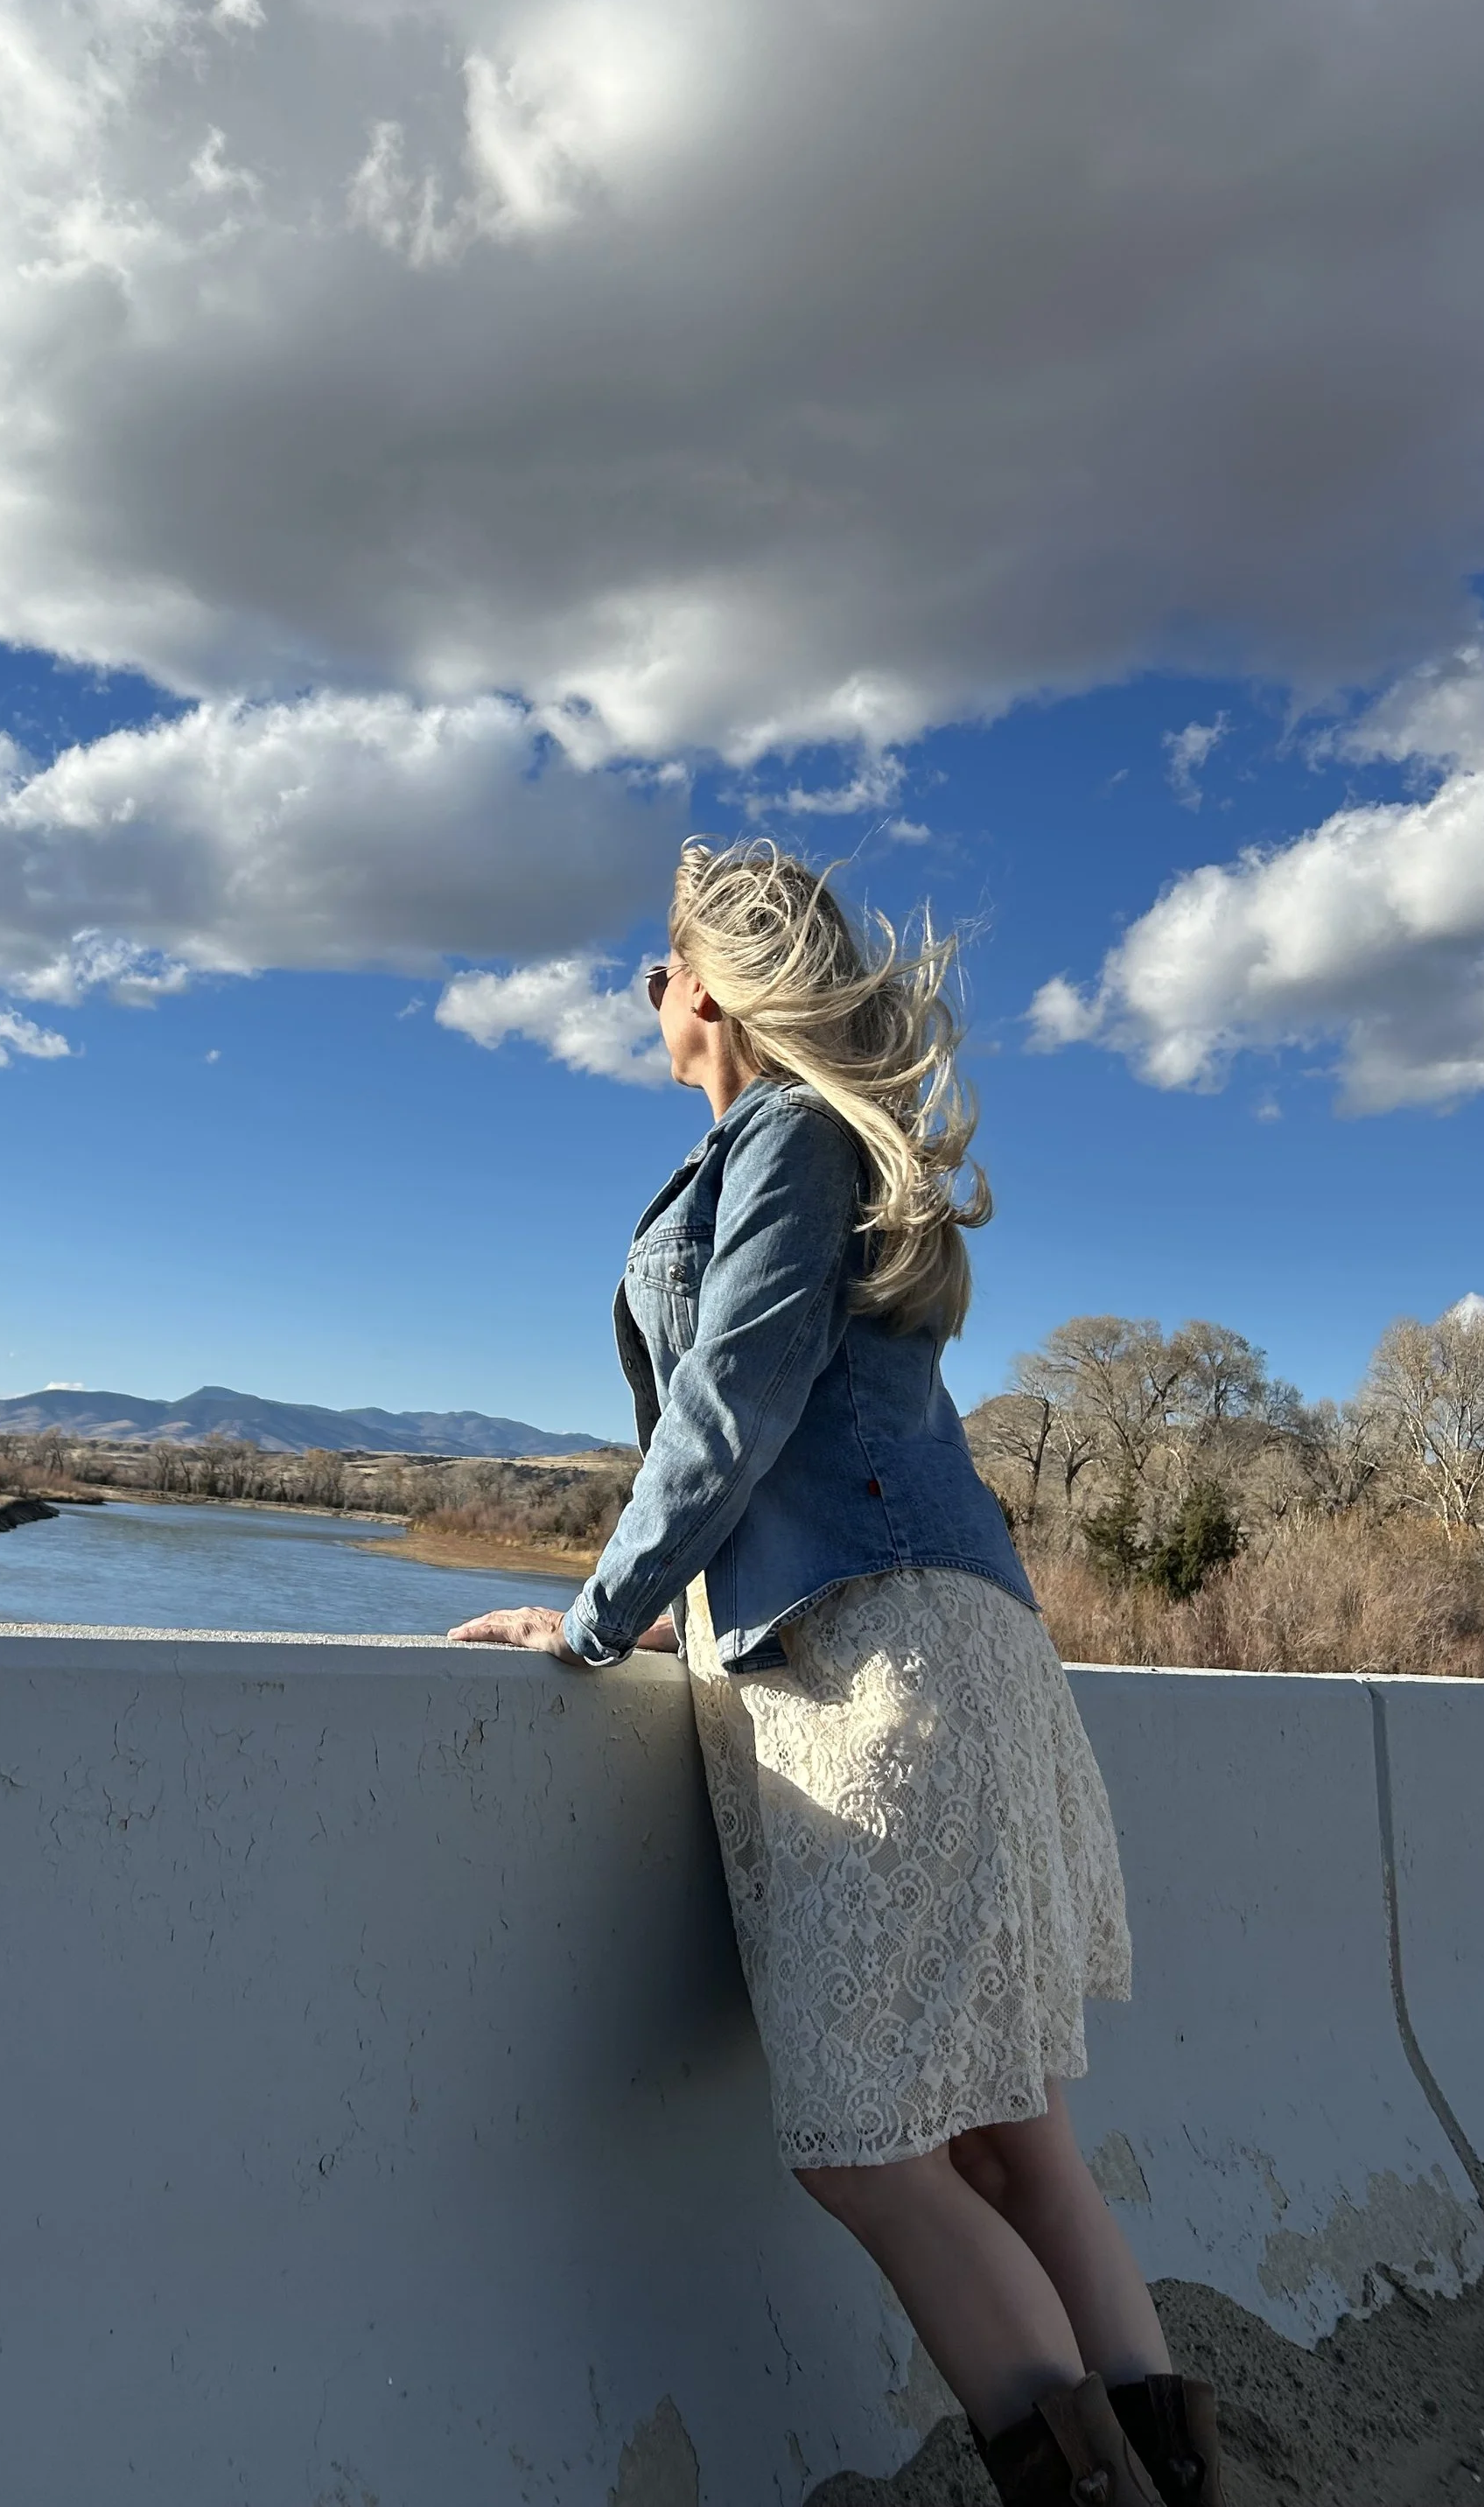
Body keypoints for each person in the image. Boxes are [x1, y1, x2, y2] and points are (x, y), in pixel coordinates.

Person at [451, 840, 1222, 2507]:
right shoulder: (790, 1144)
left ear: (704, 984)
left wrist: (593, 1619)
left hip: (879, 1667)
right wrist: (668, 1617)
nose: (646, 999)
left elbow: (732, 1413)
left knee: (870, 2152)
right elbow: (742, 1441)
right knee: (1021, 2148)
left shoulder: (790, 1135)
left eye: (653, 973)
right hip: (942, 1639)